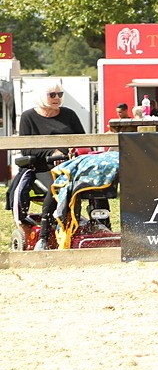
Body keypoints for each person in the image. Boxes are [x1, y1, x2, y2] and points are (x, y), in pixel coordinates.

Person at [16, 80, 87, 249]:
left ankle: (100, 224)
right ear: (42, 96)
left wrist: (75, 151)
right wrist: (51, 153)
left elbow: (84, 141)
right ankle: (43, 237)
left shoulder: (69, 114)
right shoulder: (28, 117)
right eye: (52, 95)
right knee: (56, 187)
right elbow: (26, 150)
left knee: (95, 185)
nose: (57, 98)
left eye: (59, 94)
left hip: (71, 164)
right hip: (43, 166)